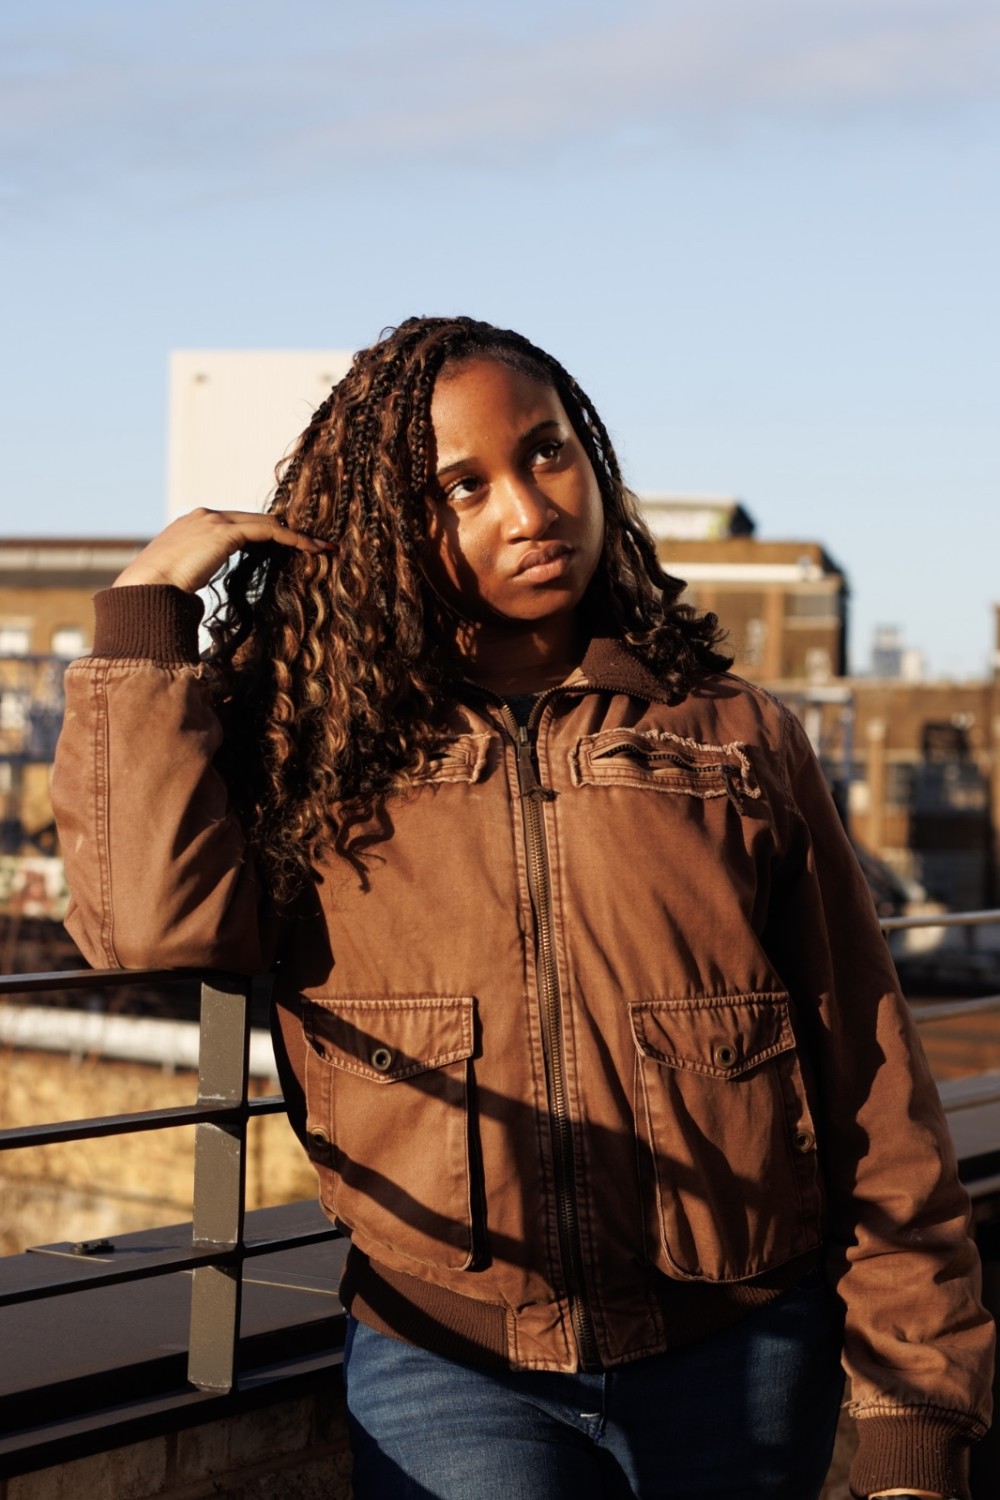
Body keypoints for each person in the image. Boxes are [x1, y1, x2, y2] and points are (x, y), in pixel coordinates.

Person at [52, 316, 992, 1500]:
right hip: (447, 1364)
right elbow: (148, 925)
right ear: (391, 523)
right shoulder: (313, 747)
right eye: (463, 487)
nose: (531, 509)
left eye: (548, 452)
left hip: (744, 1353)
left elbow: (870, 1075)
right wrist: (146, 615)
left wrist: (914, 1416)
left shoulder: (729, 732)